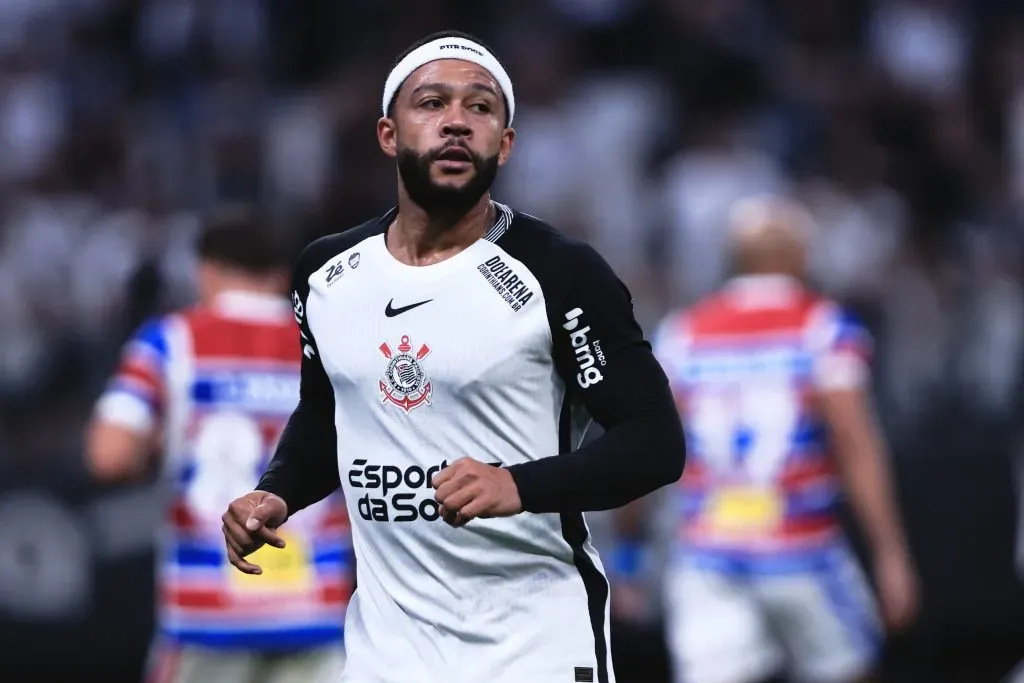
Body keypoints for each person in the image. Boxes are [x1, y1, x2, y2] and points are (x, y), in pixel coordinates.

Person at [220, 30, 685, 683]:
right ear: (389, 134)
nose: (457, 122)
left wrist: (519, 484)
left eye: (481, 107)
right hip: (387, 653)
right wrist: (276, 492)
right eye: (432, 103)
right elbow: (328, 414)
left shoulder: (561, 272)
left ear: (507, 141)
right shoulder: (325, 273)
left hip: (531, 646)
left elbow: (655, 442)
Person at [652, 195, 919, 683]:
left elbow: (649, 446)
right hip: (799, 544)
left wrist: (630, 554)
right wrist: (890, 553)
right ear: (801, 255)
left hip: (708, 548)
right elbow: (854, 441)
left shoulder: (683, 333)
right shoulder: (822, 328)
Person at [86, 206, 351, 683]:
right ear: (279, 275)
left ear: (205, 270)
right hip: (314, 607)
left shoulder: (171, 341)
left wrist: (158, 447)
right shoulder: (331, 342)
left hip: (208, 613)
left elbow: (109, 455)